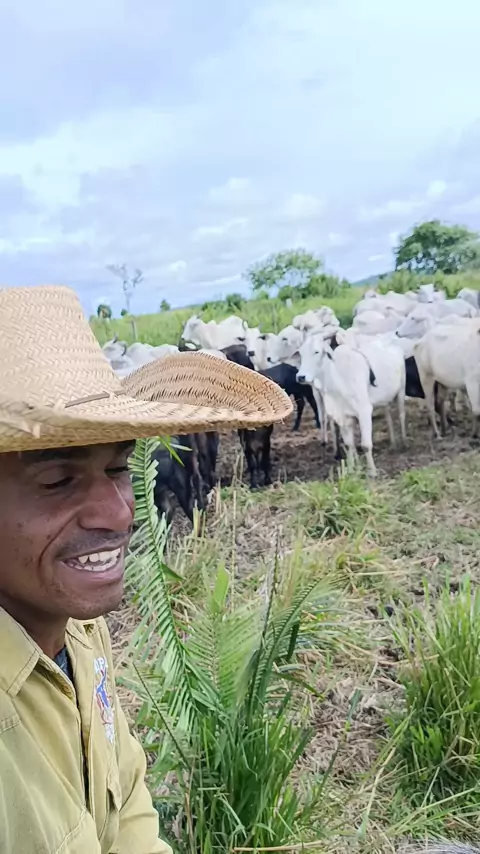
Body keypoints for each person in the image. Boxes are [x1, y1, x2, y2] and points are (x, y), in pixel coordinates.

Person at [0, 284, 291, 854]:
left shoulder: (82, 635)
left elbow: (128, 807)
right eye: (57, 480)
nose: (119, 512)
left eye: (119, 468)